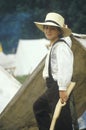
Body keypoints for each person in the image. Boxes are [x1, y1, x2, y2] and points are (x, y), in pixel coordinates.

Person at [33, 12, 74, 130]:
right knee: (39, 107)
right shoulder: (56, 44)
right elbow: (68, 41)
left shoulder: (61, 47)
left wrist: (62, 88)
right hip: (52, 87)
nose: (48, 31)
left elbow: (65, 68)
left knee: (62, 118)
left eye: (52, 28)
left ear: (59, 31)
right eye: (46, 28)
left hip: (58, 87)